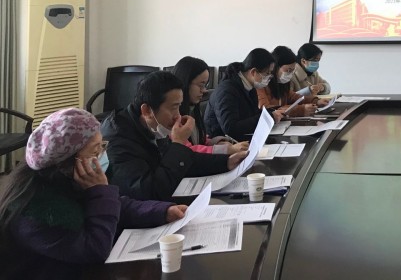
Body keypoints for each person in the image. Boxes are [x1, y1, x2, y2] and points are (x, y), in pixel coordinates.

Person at [0, 108, 187, 279]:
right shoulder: (33, 212)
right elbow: (95, 249)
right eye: (95, 150)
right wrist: (100, 191)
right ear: (67, 162)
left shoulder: (65, 181)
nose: (102, 155)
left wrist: (162, 211)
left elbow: (116, 205)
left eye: (102, 146)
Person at [102, 71, 247, 200]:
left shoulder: (153, 125)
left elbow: (186, 161)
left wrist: (226, 162)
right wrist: (178, 143)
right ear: (147, 111)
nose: (178, 116)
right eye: (173, 108)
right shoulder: (117, 139)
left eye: (179, 107)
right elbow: (149, 192)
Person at [172, 55, 249, 155]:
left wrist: (217, 142)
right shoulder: (173, 117)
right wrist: (225, 150)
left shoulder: (193, 109)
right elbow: (187, 150)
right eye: (201, 85)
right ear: (185, 83)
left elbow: (201, 140)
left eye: (205, 85)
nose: (204, 90)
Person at [204, 48, 283, 141]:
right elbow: (230, 128)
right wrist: (270, 117)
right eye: (267, 73)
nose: (269, 78)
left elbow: (252, 115)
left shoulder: (250, 87)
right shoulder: (227, 90)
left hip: (243, 138)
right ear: (253, 72)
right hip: (222, 142)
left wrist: (273, 112)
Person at [257, 45, 318, 117]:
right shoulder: (261, 85)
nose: (290, 74)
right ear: (275, 67)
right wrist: (301, 110)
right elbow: (267, 110)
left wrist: (316, 101)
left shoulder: (281, 83)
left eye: (292, 71)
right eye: (288, 70)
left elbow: (294, 97)